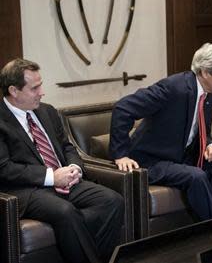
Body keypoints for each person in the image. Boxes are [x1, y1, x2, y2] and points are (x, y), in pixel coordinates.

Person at [0, 59, 124, 263]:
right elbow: (4, 168)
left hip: (65, 179)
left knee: (112, 201)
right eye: (35, 88)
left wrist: (74, 167)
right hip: (27, 189)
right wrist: (51, 177)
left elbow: (67, 146)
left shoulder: (47, 111)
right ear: (14, 90)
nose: (42, 92)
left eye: (41, 84)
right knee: (66, 212)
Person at [109, 43, 212, 220]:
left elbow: (202, 131)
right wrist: (120, 154)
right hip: (151, 160)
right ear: (206, 72)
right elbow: (123, 108)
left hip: (180, 157)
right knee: (196, 176)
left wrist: (210, 144)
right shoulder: (173, 88)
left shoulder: (210, 94)